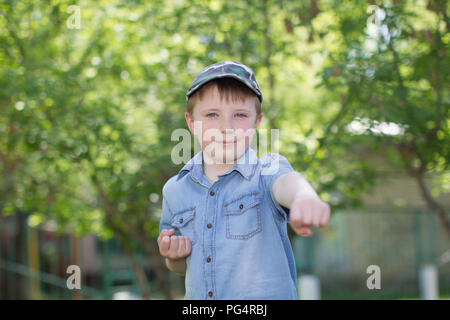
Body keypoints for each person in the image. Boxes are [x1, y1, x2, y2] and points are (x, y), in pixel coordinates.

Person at [157, 61, 330, 299]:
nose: (226, 127)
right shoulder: (175, 190)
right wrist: (173, 256)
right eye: (212, 115)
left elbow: (287, 182)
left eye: (239, 115)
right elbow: (179, 267)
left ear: (256, 122)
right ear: (191, 123)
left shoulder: (265, 171)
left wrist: (303, 195)